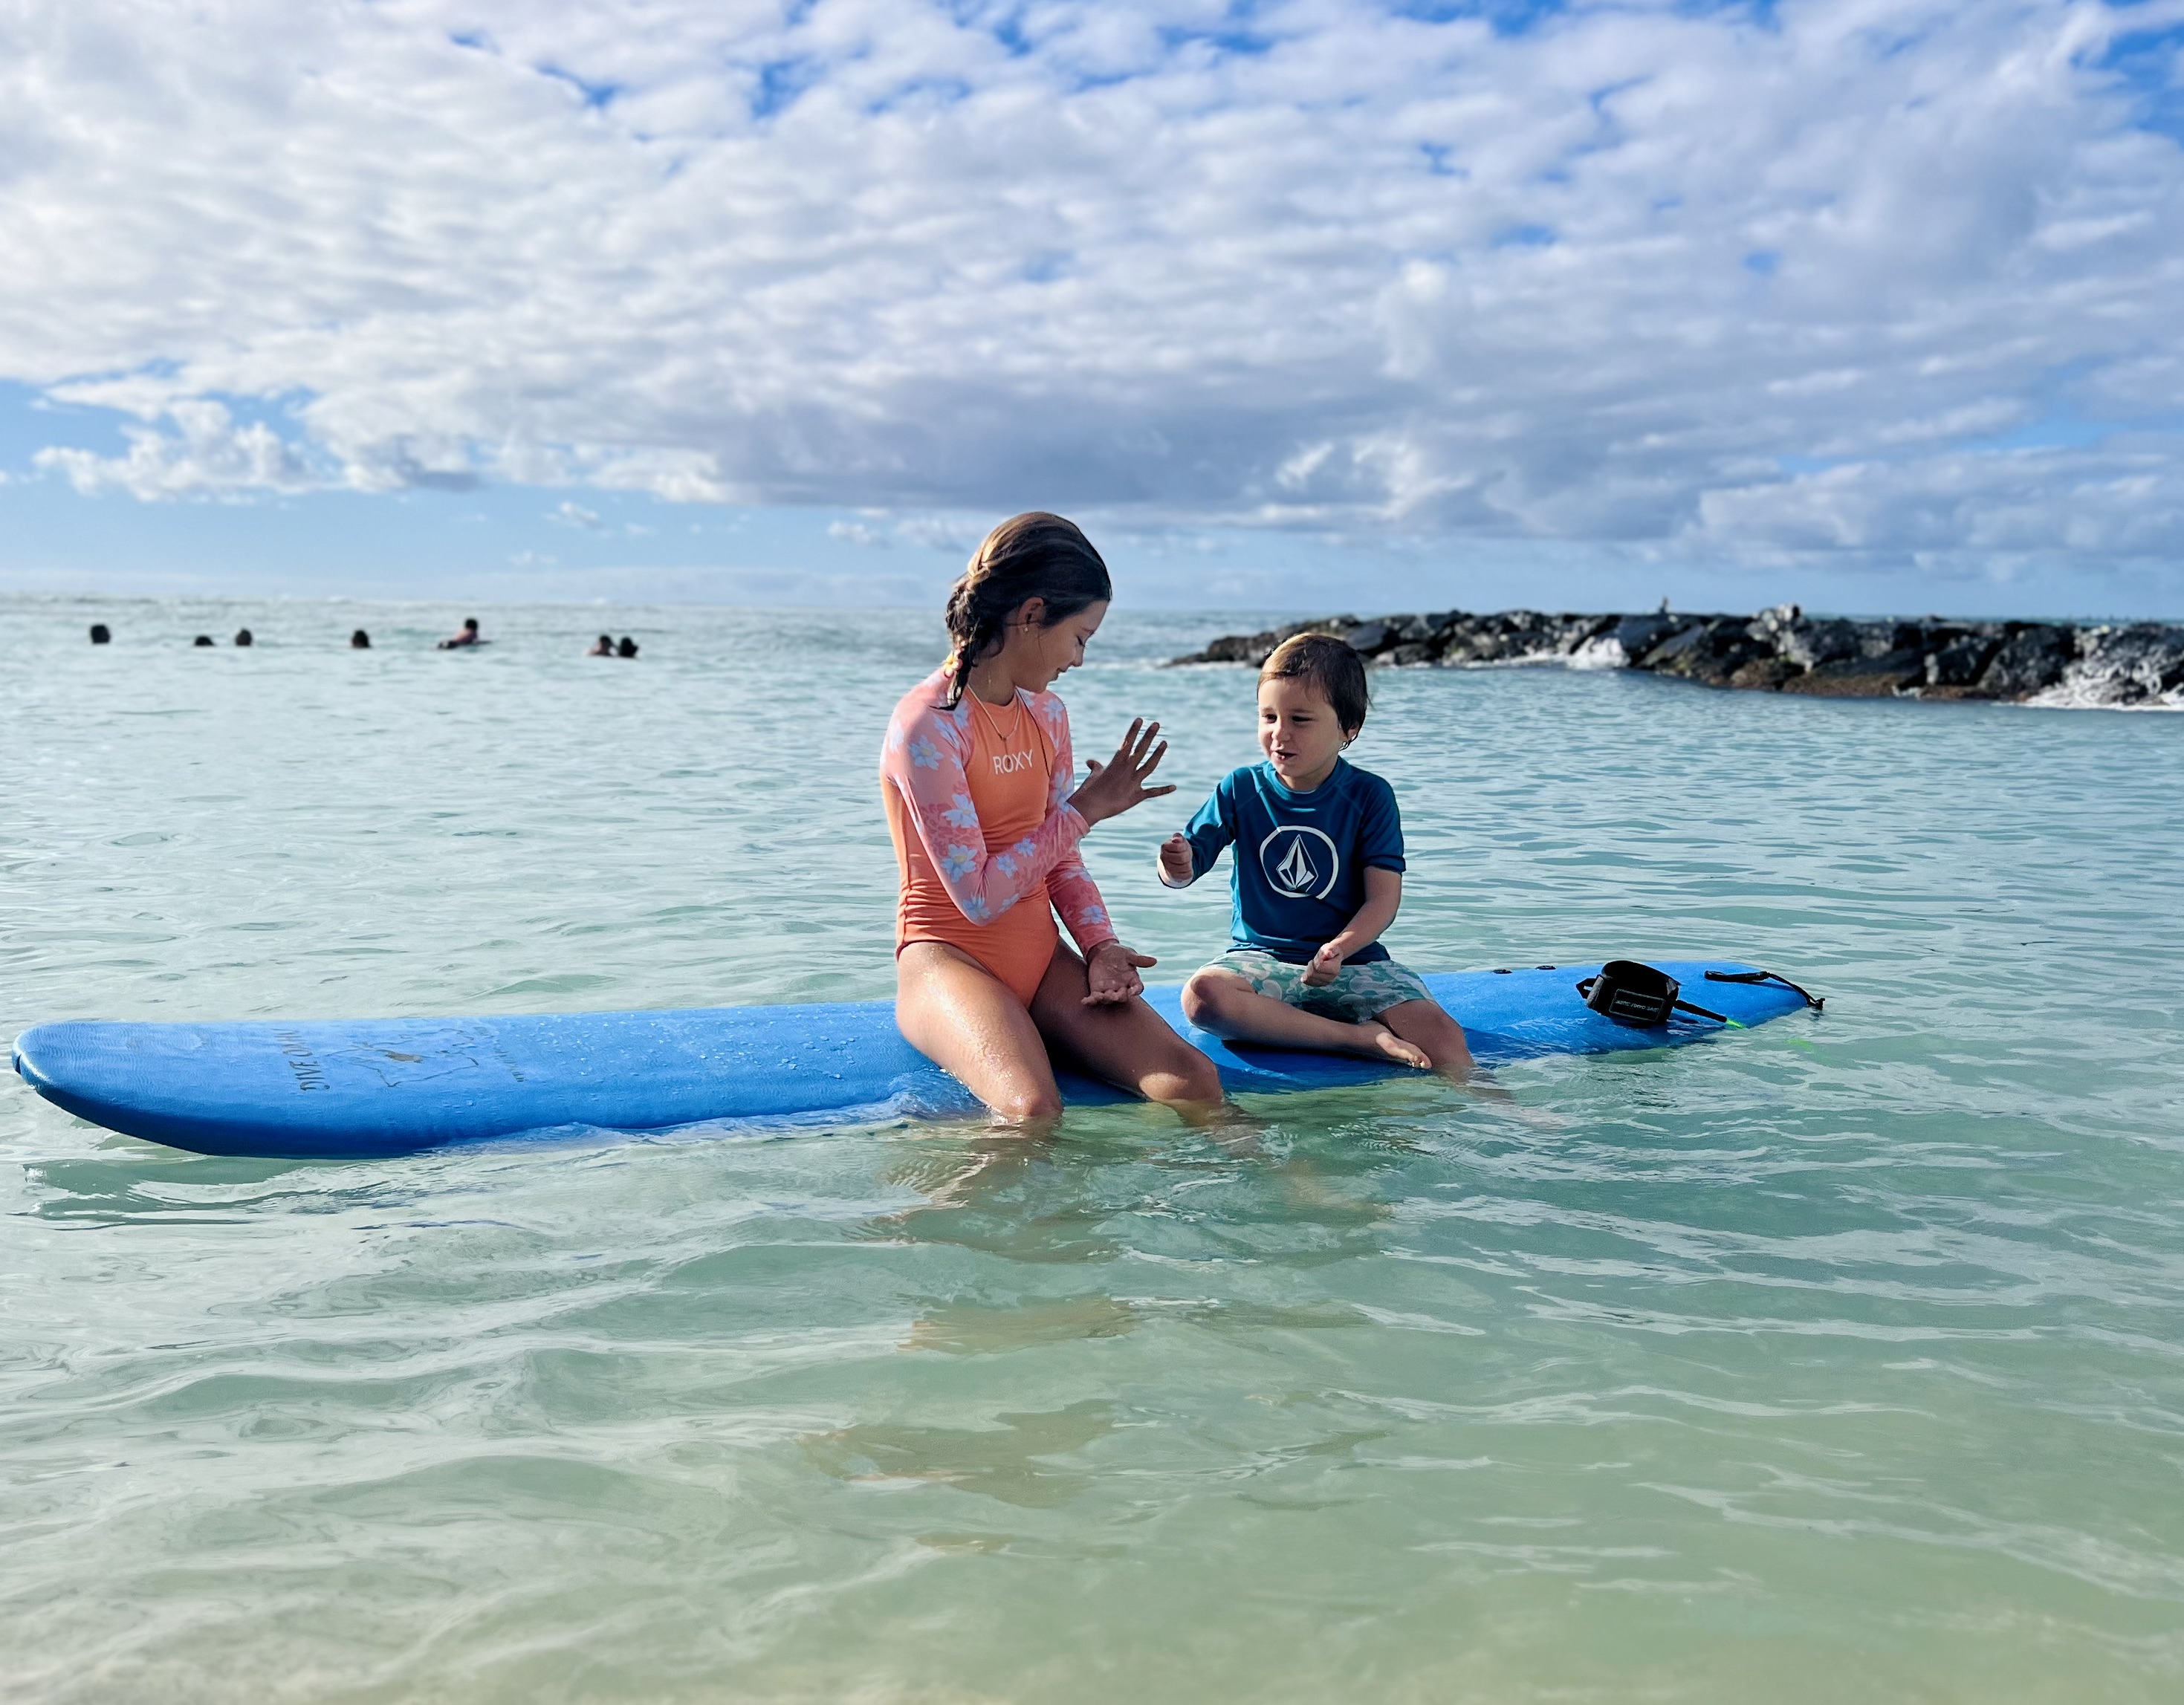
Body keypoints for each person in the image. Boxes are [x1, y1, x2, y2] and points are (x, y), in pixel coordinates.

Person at [881, 511, 1225, 1128]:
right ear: (1033, 614)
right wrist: (1085, 809)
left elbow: (1059, 855)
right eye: (1081, 636)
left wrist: (1099, 945)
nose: (1080, 658)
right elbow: (979, 897)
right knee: (1033, 1109)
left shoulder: (1048, 715)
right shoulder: (927, 725)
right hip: (946, 959)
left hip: (1041, 957)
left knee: (1192, 1081)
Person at [1159, 632, 1476, 1076]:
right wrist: (1175, 865)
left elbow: (1382, 898)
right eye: (1268, 716)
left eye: (1300, 719)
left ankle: (1500, 1107)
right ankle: (1358, 1039)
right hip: (1263, 959)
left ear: (1349, 728)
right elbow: (1186, 868)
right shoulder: (1242, 788)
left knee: (1442, 1040)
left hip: (1355, 961)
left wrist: (1340, 950)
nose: (1279, 734)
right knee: (1203, 998)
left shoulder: (1369, 796)